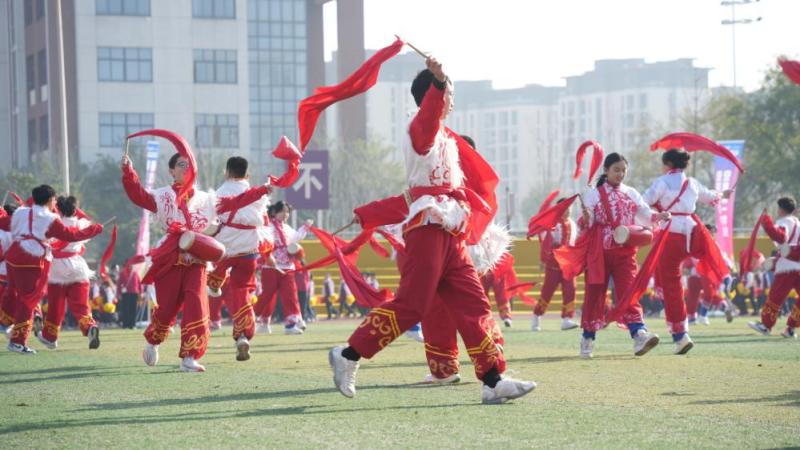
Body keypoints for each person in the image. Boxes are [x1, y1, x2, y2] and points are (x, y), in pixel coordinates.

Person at [327, 56, 535, 404]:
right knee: (413, 304)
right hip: (427, 228)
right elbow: (428, 124)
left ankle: (493, 380)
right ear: (432, 97)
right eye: (448, 94)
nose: (451, 100)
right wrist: (438, 83)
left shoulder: (445, 140)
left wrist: (369, 213)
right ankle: (348, 355)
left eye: (449, 93)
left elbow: (409, 196)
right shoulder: (420, 130)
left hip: (450, 230)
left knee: (474, 303)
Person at [122, 149, 268, 371]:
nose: (186, 168)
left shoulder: (206, 199)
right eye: (181, 164)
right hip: (170, 257)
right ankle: (153, 341)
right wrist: (128, 171)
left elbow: (237, 201)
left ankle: (189, 357)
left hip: (198, 259)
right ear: (172, 171)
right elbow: (138, 195)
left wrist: (262, 190)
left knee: (197, 306)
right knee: (167, 309)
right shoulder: (162, 196)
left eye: (189, 164)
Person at [575, 153, 666, 359]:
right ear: (606, 171)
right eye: (616, 170)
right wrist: (587, 217)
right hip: (599, 251)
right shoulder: (594, 194)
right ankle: (588, 337)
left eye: (623, 170)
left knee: (629, 292)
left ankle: (639, 334)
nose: (620, 174)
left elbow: (644, 213)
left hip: (625, 250)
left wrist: (657, 216)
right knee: (595, 295)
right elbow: (586, 222)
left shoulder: (631, 192)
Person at [643, 149, 731, 354]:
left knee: (672, 284)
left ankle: (681, 335)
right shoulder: (692, 183)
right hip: (692, 234)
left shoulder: (662, 182)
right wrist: (723, 194)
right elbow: (712, 197)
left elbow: (643, 202)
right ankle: (723, 276)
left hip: (670, 234)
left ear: (667, 164)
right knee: (699, 263)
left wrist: (652, 214)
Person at [5, 185, 103, 354]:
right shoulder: (51, 219)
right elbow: (70, 235)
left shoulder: (21, 212)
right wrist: (95, 230)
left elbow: (9, 225)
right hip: (33, 260)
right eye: (54, 199)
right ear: (50, 200)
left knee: (25, 298)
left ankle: (29, 330)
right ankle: (18, 341)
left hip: (13, 257)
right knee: (29, 301)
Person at [207, 156, 271, 361]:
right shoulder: (257, 195)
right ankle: (243, 335)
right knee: (242, 292)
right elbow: (264, 222)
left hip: (224, 247)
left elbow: (210, 220)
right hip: (249, 247)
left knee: (214, 272)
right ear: (247, 174)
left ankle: (214, 283)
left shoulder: (219, 193)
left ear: (226, 172)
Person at [38, 196, 101, 350]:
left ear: (58, 208)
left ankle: (50, 337)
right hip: (78, 267)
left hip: (57, 270)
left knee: (56, 307)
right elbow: (87, 220)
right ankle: (90, 327)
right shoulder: (81, 224)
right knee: (81, 306)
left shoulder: (54, 224)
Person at [254, 201, 310, 335]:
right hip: (271, 267)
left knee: (290, 296)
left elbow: (296, 237)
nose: (285, 214)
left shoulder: (287, 228)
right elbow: (261, 242)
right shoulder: (267, 227)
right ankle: (253, 319)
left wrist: (305, 227)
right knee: (267, 295)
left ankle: (290, 325)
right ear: (274, 212)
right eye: (282, 211)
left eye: (287, 212)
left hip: (287, 267)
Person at [748, 197, 800, 338]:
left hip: (786, 268)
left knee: (775, 297)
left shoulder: (784, 221)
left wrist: (766, 222)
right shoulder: (798, 223)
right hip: (798, 266)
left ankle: (766, 326)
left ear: (780, 209)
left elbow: (780, 237)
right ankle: (790, 329)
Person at [532, 198, 578, 332]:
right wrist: (543, 259)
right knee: (547, 292)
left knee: (570, 290)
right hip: (554, 265)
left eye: (569, 208)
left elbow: (575, 243)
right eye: (565, 208)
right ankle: (536, 316)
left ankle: (566, 319)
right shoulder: (553, 225)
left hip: (568, 265)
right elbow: (547, 243)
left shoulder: (573, 224)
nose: (568, 211)